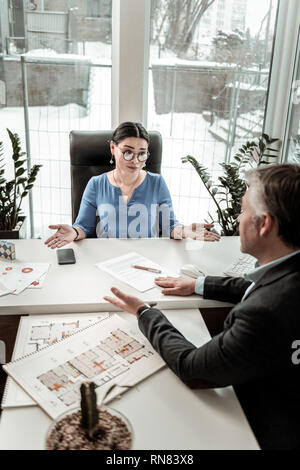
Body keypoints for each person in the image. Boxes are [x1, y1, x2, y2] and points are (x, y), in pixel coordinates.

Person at [104, 163, 300, 450]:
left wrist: (146, 312)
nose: (238, 218)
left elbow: (192, 368)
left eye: (244, 210)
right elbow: (258, 286)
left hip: (260, 430)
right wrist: (198, 284)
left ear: (266, 223)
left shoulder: (263, 314)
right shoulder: (289, 275)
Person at [45, 122, 220, 249]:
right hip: (106, 260)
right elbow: (84, 227)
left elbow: (169, 227)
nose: (135, 161)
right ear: (113, 148)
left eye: (142, 154)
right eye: (128, 152)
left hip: (148, 261)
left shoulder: (157, 182)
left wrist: (187, 231)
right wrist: (73, 233)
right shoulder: (96, 184)